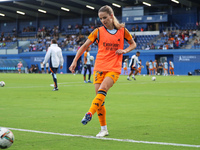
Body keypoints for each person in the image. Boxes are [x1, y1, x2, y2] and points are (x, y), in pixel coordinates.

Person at [69, 5, 136, 137]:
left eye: (105, 17)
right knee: (100, 100)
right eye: (100, 18)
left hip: (114, 68)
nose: (103, 21)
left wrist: (125, 51)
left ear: (111, 16)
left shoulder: (123, 31)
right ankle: (104, 129)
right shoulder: (98, 31)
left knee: (103, 90)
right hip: (99, 68)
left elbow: (133, 44)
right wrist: (75, 60)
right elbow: (84, 46)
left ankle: (89, 113)